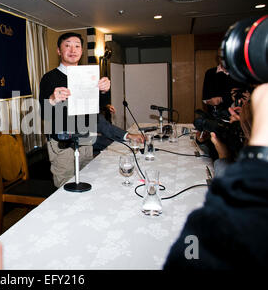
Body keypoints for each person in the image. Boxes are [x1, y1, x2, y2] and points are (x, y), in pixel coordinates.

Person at [163, 83, 268, 269]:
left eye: (243, 106)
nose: (234, 112)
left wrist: (224, 156)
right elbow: (212, 152)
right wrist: (205, 142)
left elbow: (189, 256)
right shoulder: (239, 134)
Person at [39, 32, 142, 188]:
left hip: (86, 141)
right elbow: (44, 114)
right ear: (59, 51)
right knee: (65, 188)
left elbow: (96, 109)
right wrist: (52, 99)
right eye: (67, 45)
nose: (72, 50)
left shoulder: (87, 75)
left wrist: (104, 91)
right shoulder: (49, 78)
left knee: (88, 181)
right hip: (63, 144)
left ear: (81, 51)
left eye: (77, 46)